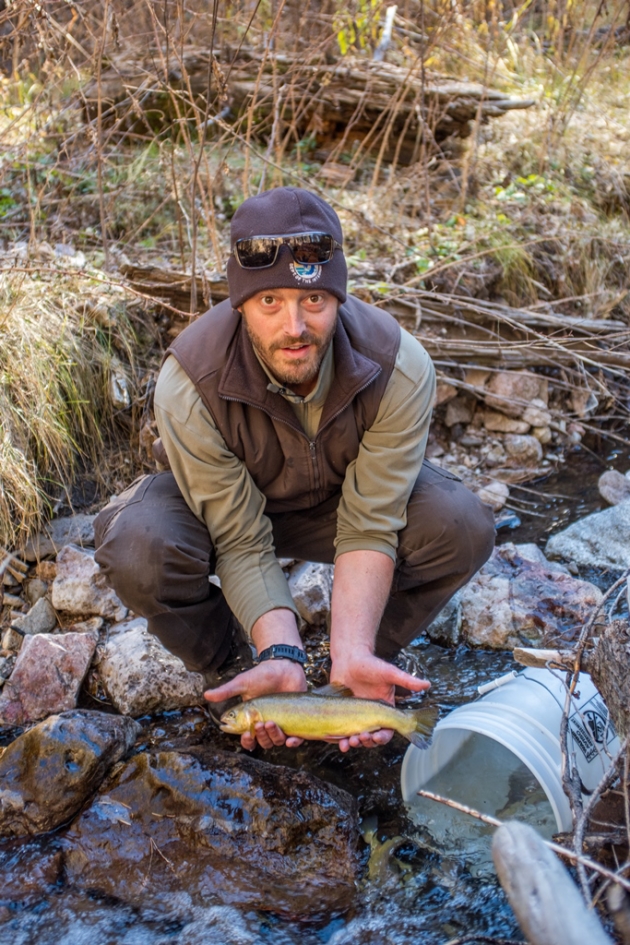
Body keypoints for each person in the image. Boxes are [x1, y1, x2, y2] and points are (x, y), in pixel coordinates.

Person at [94, 187, 495, 753]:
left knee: (460, 523)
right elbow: (238, 538)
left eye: (313, 302)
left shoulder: (398, 364)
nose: (294, 327)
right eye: (270, 303)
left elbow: (370, 522)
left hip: (336, 506)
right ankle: (248, 675)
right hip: (217, 518)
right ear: (240, 303)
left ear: (338, 298)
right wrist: (279, 648)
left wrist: (350, 647)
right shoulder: (189, 380)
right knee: (137, 546)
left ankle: (352, 675)